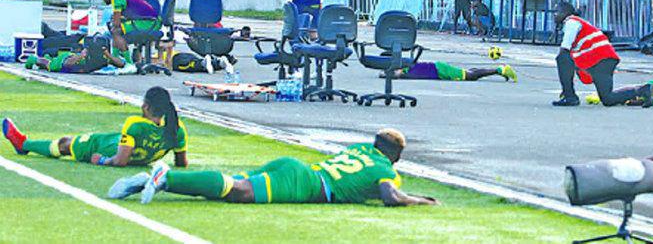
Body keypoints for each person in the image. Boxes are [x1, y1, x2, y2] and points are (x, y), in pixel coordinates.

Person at [109, 129, 439, 207]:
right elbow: (390, 197)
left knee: (235, 184)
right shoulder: (387, 170)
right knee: (238, 192)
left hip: (299, 169)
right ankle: (164, 178)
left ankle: (153, 180)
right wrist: (420, 200)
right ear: (396, 157)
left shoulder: (359, 149)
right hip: (307, 185)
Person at [2, 87, 187, 167]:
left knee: (66, 144)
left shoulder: (135, 124)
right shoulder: (177, 129)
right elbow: (181, 162)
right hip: (127, 147)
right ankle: (24, 144)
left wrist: (101, 160)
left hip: (107, 147)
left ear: (145, 106)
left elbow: (120, 161)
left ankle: (23, 144)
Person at [552, 2, 631, 107]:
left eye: (557, 12)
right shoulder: (578, 22)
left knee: (562, 59)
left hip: (600, 60)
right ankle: (642, 91)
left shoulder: (571, 22)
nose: (554, 15)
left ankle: (570, 97)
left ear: (566, 13)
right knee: (608, 99)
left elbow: (565, 49)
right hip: (604, 60)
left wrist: (566, 84)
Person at [102, 0, 159, 65]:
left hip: (148, 22)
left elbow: (116, 23)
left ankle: (129, 63)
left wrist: (114, 22)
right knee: (115, 30)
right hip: (150, 21)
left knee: (116, 31)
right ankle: (115, 60)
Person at [24, 43, 127, 74]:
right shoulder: (84, 57)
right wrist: (81, 55)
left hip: (76, 59)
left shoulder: (103, 58)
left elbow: (121, 64)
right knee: (50, 65)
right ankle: (34, 59)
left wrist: (108, 54)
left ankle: (47, 57)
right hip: (69, 59)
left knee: (51, 61)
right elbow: (67, 63)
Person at [396, 61, 516, 82]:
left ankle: (500, 70)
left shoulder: (405, 72)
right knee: (468, 73)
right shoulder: (406, 69)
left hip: (442, 71)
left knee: (471, 76)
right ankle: (498, 70)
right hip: (440, 69)